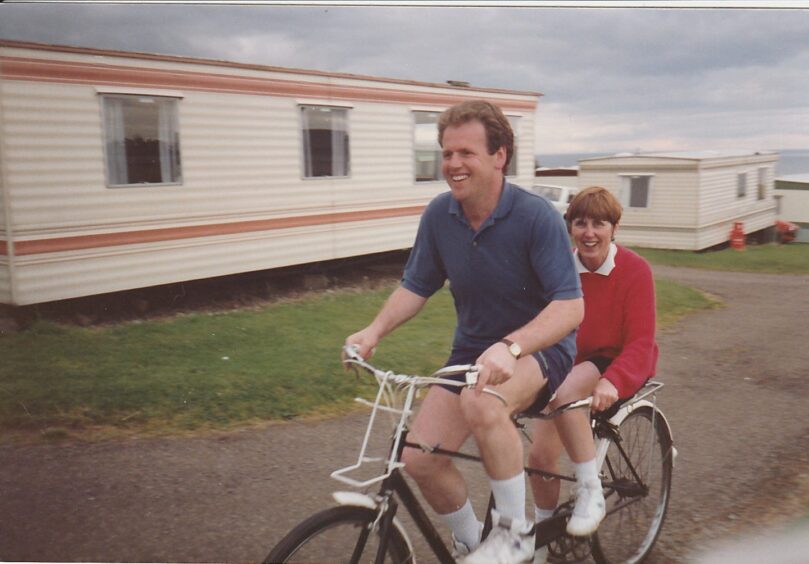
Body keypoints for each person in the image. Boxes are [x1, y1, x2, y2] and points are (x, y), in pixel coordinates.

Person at [345, 99, 600, 564]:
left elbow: (570, 306)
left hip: (541, 351)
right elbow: (416, 286)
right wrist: (373, 331)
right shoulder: (440, 215)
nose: (453, 164)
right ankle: (473, 543)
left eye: (466, 152)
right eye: (446, 153)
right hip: (473, 352)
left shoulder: (535, 216)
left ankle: (514, 533)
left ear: (499, 155)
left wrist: (512, 346)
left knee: (481, 401)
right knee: (419, 459)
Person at [528, 186, 659, 563]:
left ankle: (591, 491)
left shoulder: (635, 271)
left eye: (599, 223)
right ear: (570, 227)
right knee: (539, 456)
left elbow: (641, 341)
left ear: (614, 228)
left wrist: (613, 381)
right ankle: (544, 536)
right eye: (580, 222)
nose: (589, 232)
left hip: (611, 361)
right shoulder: (559, 265)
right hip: (567, 358)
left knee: (565, 393)